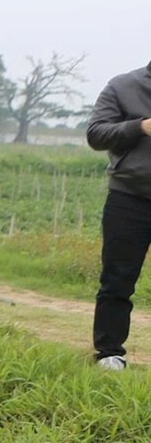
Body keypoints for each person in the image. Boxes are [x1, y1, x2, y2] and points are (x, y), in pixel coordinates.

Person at [86, 59, 151, 370]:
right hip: (130, 198)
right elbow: (96, 134)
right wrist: (139, 126)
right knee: (118, 279)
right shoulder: (124, 86)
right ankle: (110, 353)